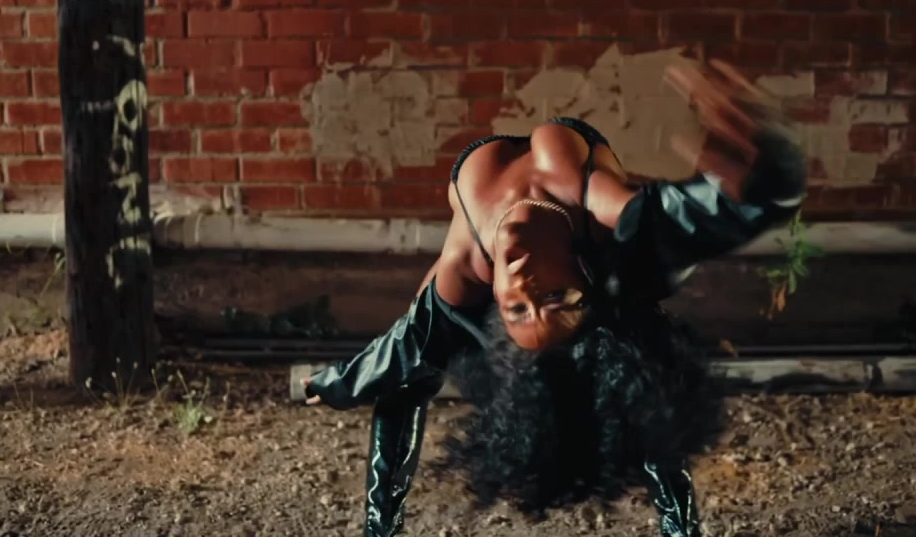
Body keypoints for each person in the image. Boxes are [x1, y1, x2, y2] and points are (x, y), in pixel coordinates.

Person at [303, 60, 808, 537]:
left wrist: (337, 382)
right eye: (554, 296)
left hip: (480, 253)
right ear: (582, 271)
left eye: (516, 309)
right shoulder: (599, 219)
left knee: (415, 363)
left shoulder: (469, 270)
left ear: (496, 304)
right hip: (595, 250)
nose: (522, 285)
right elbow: (688, 218)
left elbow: (401, 349)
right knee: (639, 389)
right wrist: (764, 169)